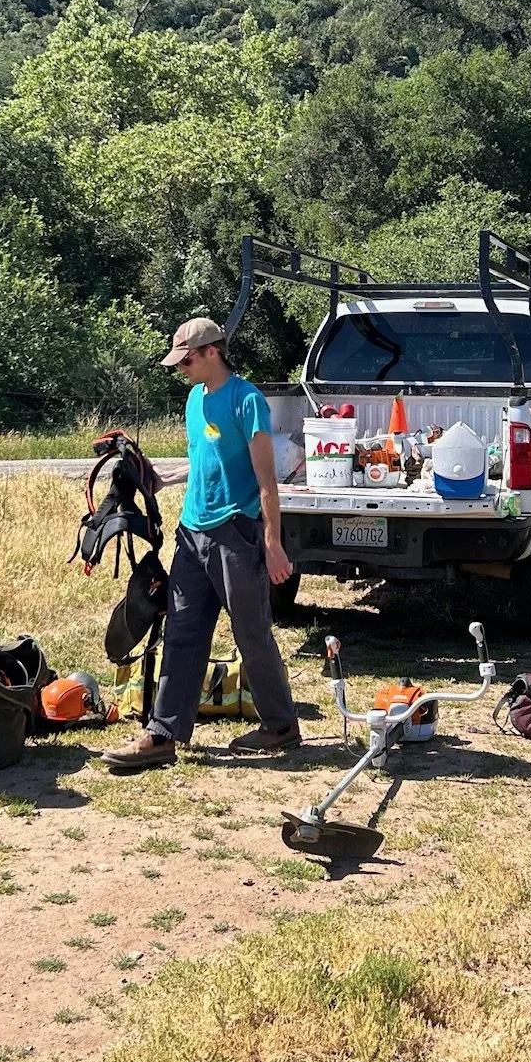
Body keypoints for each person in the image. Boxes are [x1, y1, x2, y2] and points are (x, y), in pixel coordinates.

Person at [102, 317, 301, 773]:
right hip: (192, 533)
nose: (182, 369)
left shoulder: (246, 400)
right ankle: (162, 734)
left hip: (236, 532)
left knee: (251, 632)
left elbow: (266, 479)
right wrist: (160, 480)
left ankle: (282, 725)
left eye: (186, 360)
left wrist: (273, 542)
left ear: (213, 351)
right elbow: (202, 460)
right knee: (182, 632)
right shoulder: (195, 399)